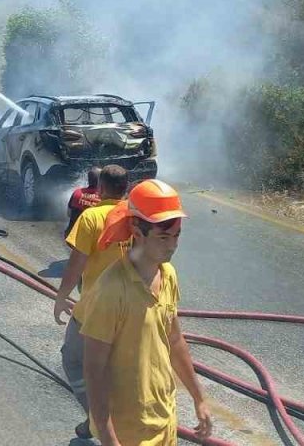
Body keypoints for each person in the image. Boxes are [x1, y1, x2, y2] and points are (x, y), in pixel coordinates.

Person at [80, 179, 213, 446]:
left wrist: (199, 398)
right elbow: (95, 369)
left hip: (163, 419)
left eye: (176, 236)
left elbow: (174, 340)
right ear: (137, 231)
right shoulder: (111, 290)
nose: (172, 246)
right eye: (163, 237)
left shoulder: (168, 275)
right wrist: (108, 437)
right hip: (128, 430)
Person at [54, 165, 129, 440]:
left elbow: (75, 264)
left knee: (73, 360)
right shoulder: (138, 218)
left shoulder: (91, 217)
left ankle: (97, 419)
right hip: (131, 311)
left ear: (100, 189)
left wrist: (61, 297)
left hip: (95, 311)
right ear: (127, 189)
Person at [66, 167, 102, 237]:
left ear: (88, 179)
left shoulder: (77, 192)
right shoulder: (103, 198)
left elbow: (69, 213)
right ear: (101, 181)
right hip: (89, 239)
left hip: (72, 235)